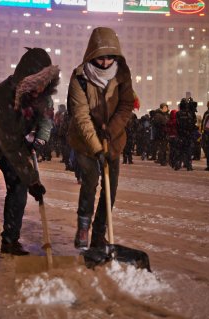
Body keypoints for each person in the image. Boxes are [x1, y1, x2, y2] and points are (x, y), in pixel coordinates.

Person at [0, 47, 59, 256]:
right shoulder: (4, 98)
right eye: (33, 84)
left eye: (43, 83)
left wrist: (40, 139)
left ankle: (10, 240)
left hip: (11, 139)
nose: (38, 90)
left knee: (18, 186)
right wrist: (33, 179)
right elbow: (11, 145)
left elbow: (46, 120)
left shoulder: (44, 96)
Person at [67, 27, 134, 249]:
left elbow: (126, 105)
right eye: (101, 57)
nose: (105, 62)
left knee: (110, 189)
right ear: (91, 54)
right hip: (85, 142)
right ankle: (83, 226)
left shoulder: (123, 74)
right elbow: (81, 116)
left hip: (113, 140)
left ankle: (99, 234)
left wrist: (110, 131)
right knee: (90, 181)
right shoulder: (80, 78)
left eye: (110, 57)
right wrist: (97, 147)